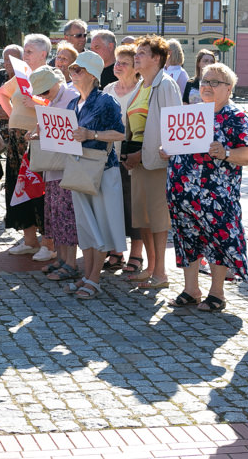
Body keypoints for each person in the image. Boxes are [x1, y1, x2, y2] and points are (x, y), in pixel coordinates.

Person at [164, 63, 248, 312]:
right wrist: (168, 149)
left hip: (215, 194)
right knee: (186, 238)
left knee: (219, 240)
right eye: (204, 81)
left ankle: (217, 293)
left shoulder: (235, 116)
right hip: (182, 191)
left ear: (229, 88)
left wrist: (225, 152)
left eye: (215, 82)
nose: (207, 86)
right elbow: (175, 144)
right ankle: (191, 289)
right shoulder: (191, 112)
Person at [63, 51, 127, 298]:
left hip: (102, 169)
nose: (73, 74)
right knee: (86, 227)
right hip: (80, 168)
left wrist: (92, 135)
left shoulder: (106, 101)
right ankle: (87, 275)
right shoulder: (72, 103)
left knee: (99, 224)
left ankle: (94, 279)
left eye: (77, 70)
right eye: (71, 70)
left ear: (92, 74)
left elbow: (120, 134)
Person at [122, 35, 181, 289]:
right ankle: (150, 267)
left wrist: (152, 153)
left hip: (155, 161)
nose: (137, 57)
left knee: (157, 220)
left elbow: (175, 125)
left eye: (143, 53)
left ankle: (161, 273)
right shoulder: (141, 86)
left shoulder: (165, 85)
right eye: (137, 53)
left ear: (157, 58)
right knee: (143, 219)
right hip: (138, 160)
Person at [0, 34, 55, 260]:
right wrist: (15, 117)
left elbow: (58, 102)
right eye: (25, 50)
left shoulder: (50, 75)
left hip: (36, 140)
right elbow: (2, 93)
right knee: (17, 186)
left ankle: (48, 243)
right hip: (17, 137)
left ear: (43, 54)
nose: (24, 55)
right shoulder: (24, 74)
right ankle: (30, 240)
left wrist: (37, 103)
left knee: (39, 189)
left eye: (29, 51)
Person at [29, 66, 80, 280]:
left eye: (44, 91)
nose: (42, 96)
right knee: (55, 215)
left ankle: (70, 262)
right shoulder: (55, 97)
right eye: (40, 93)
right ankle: (61, 258)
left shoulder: (71, 96)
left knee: (66, 216)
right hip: (54, 166)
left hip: (67, 166)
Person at [103, 44, 143, 275]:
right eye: (117, 61)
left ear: (135, 68)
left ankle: (136, 254)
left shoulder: (141, 90)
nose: (118, 66)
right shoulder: (108, 88)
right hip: (108, 155)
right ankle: (116, 251)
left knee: (133, 207)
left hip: (131, 155)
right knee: (112, 206)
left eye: (124, 63)